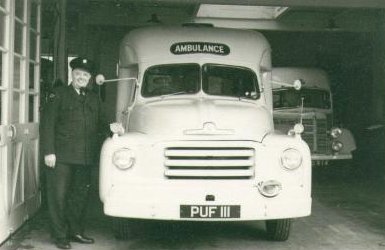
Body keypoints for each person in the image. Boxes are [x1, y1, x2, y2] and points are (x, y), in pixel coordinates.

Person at [41, 57, 105, 249]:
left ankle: (75, 232)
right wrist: (48, 152)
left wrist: (113, 129)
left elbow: (101, 123)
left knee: (79, 198)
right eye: (78, 73)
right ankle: (60, 236)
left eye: (85, 74)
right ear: (72, 74)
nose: (81, 77)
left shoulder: (94, 97)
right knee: (58, 197)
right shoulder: (58, 94)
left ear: (90, 78)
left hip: (85, 157)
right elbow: (47, 125)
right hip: (61, 157)